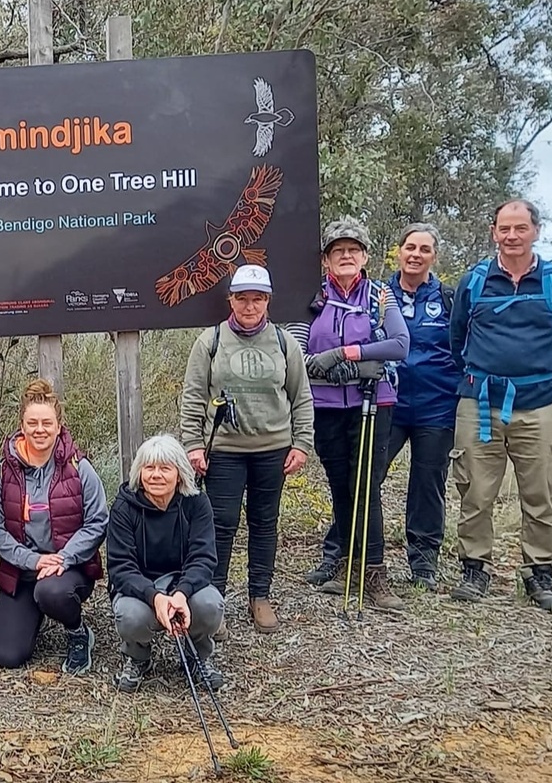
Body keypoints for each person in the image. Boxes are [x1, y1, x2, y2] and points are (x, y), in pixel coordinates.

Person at [448, 199, 552, 612]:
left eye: (520, 228)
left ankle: (539, 573)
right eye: (504, 229)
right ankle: (475, 567)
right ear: (494, 232)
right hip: (479, 403)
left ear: (535, 231)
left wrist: (545, 387)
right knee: (475, 490)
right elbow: (458, 341)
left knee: (540, 492)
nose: (511, 236)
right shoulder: (474, 281)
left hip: (538, 406)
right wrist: (480, 379)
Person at [180, 264, 312, 634]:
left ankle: (260, 596)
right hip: (224, 450)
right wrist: (193, 444)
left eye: (257, 298)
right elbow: (193, 397)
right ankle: (213, 600)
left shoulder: (285, 343)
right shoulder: (211, 342)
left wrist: (302, 443)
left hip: (273, 448)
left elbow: (301, 397)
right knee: (220, 526)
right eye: (242, 298)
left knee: (264, 523)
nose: (249, 306)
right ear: (231, 299)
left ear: (268, 300)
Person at [301, 218, 409, 611]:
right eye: (337, 251)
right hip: (326, 406)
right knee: (340, 485)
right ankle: (349, 565)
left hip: (372, 403)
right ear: (327, 258)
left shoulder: (380, 296)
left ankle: (376, 574)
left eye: (353, 250)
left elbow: (399, 345)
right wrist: (326, 365)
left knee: (365, 487)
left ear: (365, 256)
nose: (346, 256)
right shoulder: (311, 297)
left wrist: (353, 356)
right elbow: (298, 356)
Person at [0, 379, 109, 673]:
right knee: (8, 656)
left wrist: (63, 559)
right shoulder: (4, 472)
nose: (39, 430)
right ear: (22, 425)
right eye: (32, 423)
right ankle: (31, 618)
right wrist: (34, 560)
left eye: (46, 423)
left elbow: (97, 522)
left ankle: (78, 633)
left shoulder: (78, 468)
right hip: (23, 572)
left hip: (67, 570)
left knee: (50, 592)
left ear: (58, 426)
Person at [107, 434, 224, 694]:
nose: (156, 475)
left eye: (165, 468)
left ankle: (198, 656)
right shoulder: (124, 508)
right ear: (139, 472)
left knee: (210, 604)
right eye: (149, 468)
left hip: (185, 585)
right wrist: (156, 598)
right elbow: (121, 567)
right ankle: (137, 657)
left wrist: (181, 594)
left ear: (180, 474)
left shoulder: (197, 504)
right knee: (130, 615)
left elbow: (203, 557)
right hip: (141, 589)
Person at [384, 224, 460, 589]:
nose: (416, 254)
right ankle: (347, 551)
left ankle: (424, 561)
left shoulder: (448, 297)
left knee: (428, 484)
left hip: (437, 405)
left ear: (434, 256)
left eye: (424, 249)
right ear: (399, 251)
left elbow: (463, 346)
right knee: (365, 477)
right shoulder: (379, 295)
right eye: (410, 247)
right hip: (389, 403)